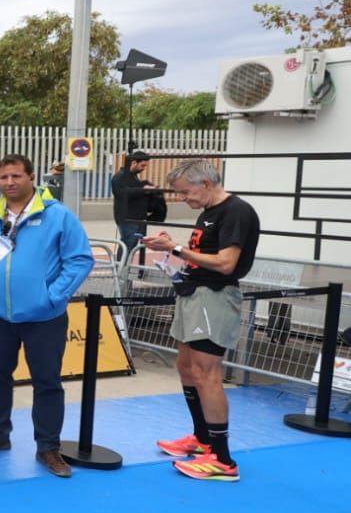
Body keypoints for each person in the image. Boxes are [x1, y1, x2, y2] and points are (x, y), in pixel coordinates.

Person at [0, 154, 94, 479]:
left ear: (31, 177)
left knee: (47, 382)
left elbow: (80, 260)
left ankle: (48, 447)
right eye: (4, 177)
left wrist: (51, 297)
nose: (9, 182)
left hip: (44, 318)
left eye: (16, 176)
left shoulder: (59, 217)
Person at [142, 159, 261, 482]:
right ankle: (203, 438)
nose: (184, 199)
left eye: (185, 193)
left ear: (205, 184)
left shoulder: (236, 211)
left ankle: (222, 460)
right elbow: (204, 252)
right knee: (187, 367)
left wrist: (176, 248)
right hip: (193, 294)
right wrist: (171, 247)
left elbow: (225, 263)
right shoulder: (209, 212)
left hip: (214, 296)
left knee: (207, 373)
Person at [111, 150, 158, 259]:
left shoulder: (133, 177)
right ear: (134, 162)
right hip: (127, 218)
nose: (143, 168)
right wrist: (143, 190)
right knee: (128, 243)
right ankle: (121, 270)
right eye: (142, 165)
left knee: (131, 244)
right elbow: (122, 193)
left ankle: (123, 269)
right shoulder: (119, 177)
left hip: (135, 217)